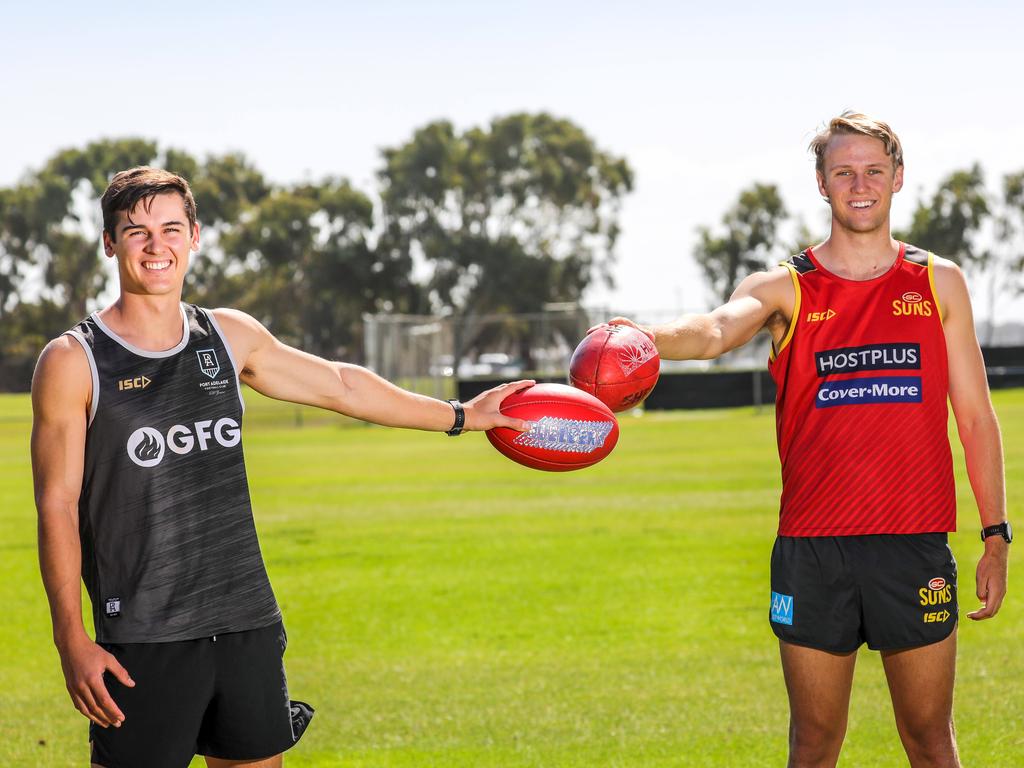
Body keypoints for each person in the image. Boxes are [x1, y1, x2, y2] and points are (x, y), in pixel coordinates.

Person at [30, 166, 534, 768]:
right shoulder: (73, 360)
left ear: (195, 235)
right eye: (136, 232)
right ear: (110, 243)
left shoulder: (229, 335)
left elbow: (343, 385)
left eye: (170, 228)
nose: (156, 246)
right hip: (145, 635)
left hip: (247, 623)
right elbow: (56, 505)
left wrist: (459, 415)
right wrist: (71, 638)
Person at [606, 112, 1010, 768]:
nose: (860, 183)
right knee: (814, 743)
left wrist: (996, 536)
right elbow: (711, 330)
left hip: (912, 544)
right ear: (822, 183)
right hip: (812, 549)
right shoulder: (785, 288)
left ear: (897, 178)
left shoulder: (939, 283)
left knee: (931, 742)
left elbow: (974, 417)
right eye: (844, 171)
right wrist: (645, 338)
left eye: (874, 170)